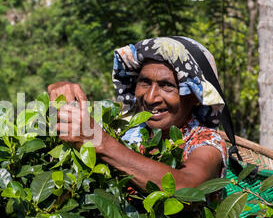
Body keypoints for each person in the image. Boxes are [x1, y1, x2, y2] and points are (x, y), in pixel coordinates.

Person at [47, 36, 228, 194]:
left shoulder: (206, 142)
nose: (150, 98)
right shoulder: (127, 129)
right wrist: (61, 90)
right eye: (145, 82)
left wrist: (101, 143)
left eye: (167, 86)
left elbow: (187, 188)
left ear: (196, 96)